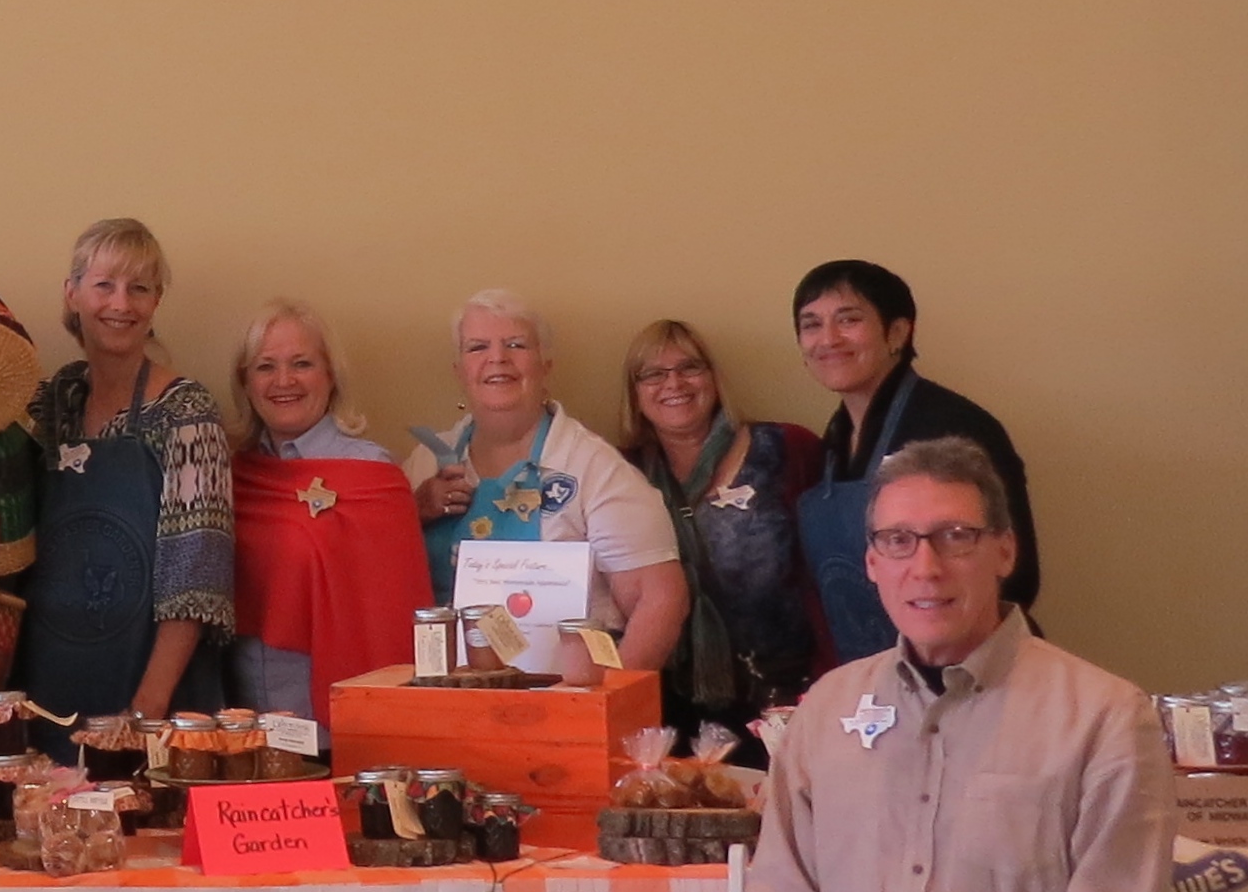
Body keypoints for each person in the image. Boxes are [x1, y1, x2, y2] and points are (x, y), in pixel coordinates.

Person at [735, 439, 1166, 892]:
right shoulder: (827, 710)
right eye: (897, 541)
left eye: (954, 538)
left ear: (1004, 550)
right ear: (870, 561)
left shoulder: (1101, 715)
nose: (924, 567)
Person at [401, 290, 688, 672]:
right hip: (444, 698)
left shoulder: (594, 468)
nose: (497, 358)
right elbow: (376, 579)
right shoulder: (424, 462)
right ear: (459, 370)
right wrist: (411, 513)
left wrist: (603, 702)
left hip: (563, 700)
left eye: (516, 344)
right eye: (477, 347)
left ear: (544, 365)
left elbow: (661, 599)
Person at [18, 219, 233, 728]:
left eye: (139, 288)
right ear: (72, 294)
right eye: (104, 285)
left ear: (156, 301)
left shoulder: (185, 411)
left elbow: (196, 580)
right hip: (48, 688)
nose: (121, 304)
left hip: (154, 697)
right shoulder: (48, 406)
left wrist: (144, 712)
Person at [789, 259, 1040, 660]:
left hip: (970, 670)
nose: (828, 339)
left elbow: (1017, 574)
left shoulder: (952, 427)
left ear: (898, 332)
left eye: (848, 320)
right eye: (811, 324)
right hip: (877, 679)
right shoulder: (835, 441)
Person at [619, 320, 827, 745]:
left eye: (689, 367)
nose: (674, 383)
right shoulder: (620, 475)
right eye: (653, 374)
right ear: (635, 394)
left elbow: (836, 570)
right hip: (667, 711)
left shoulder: (787, 449)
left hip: (787, 703)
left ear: (713, 377)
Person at [220, 300, 423, 722]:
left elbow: (387, 619)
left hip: (330, 716)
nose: (283, 381)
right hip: (238, 713)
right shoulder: (230, 472)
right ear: (246, 382)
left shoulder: (372, 476)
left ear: (331, 374)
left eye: (301, 363)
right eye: (265, 367)